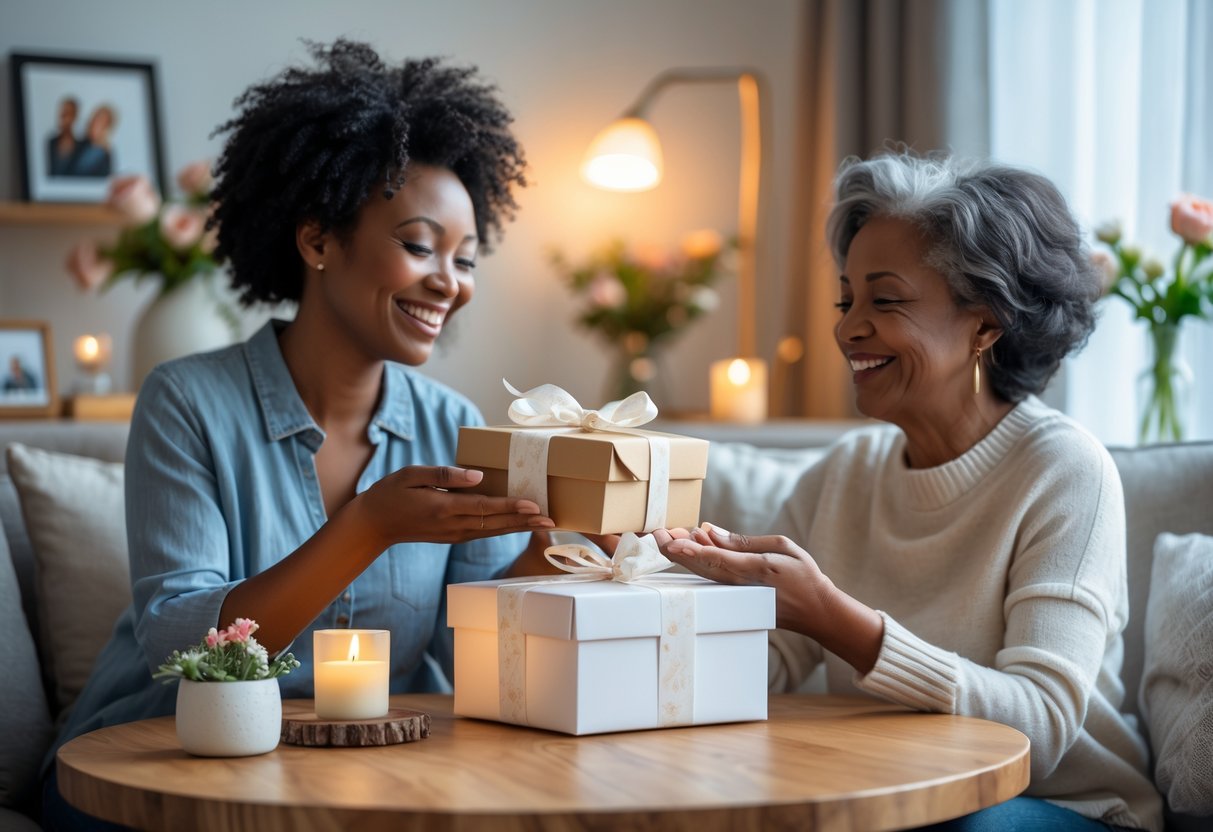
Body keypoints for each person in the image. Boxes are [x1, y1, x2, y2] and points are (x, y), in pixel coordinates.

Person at [42, 39, 556, 828]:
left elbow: (476, 646)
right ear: (317, 241)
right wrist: (367, 528)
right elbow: (184, 644)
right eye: (420, 245)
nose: (449, 282)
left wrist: (554, 549)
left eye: (465, 257)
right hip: (159, 766)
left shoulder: (453, 425)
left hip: (346, 777)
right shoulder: (187, 402)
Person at [656, 152, 1163, 831]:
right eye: (846, 299)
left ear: (985, 324)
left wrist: (838, 620)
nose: (844, 328)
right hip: (887, 803)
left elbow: (1040, 730)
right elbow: (760, 668)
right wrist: (636, 574)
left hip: (1062, 808)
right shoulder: (844, 473)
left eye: (884, 300)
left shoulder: (1062, 470)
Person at [68, 104, 116, 177]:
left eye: (99, 122)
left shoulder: (105, 155)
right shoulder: (77, 145)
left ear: (106, 128)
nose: (93, 123)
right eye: (94, 119)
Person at [46, 96, 80, 177]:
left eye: (67, 114)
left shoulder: (81, 146)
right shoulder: (51, 143)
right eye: (62, 113)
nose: (63, 118)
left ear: (74, 117)